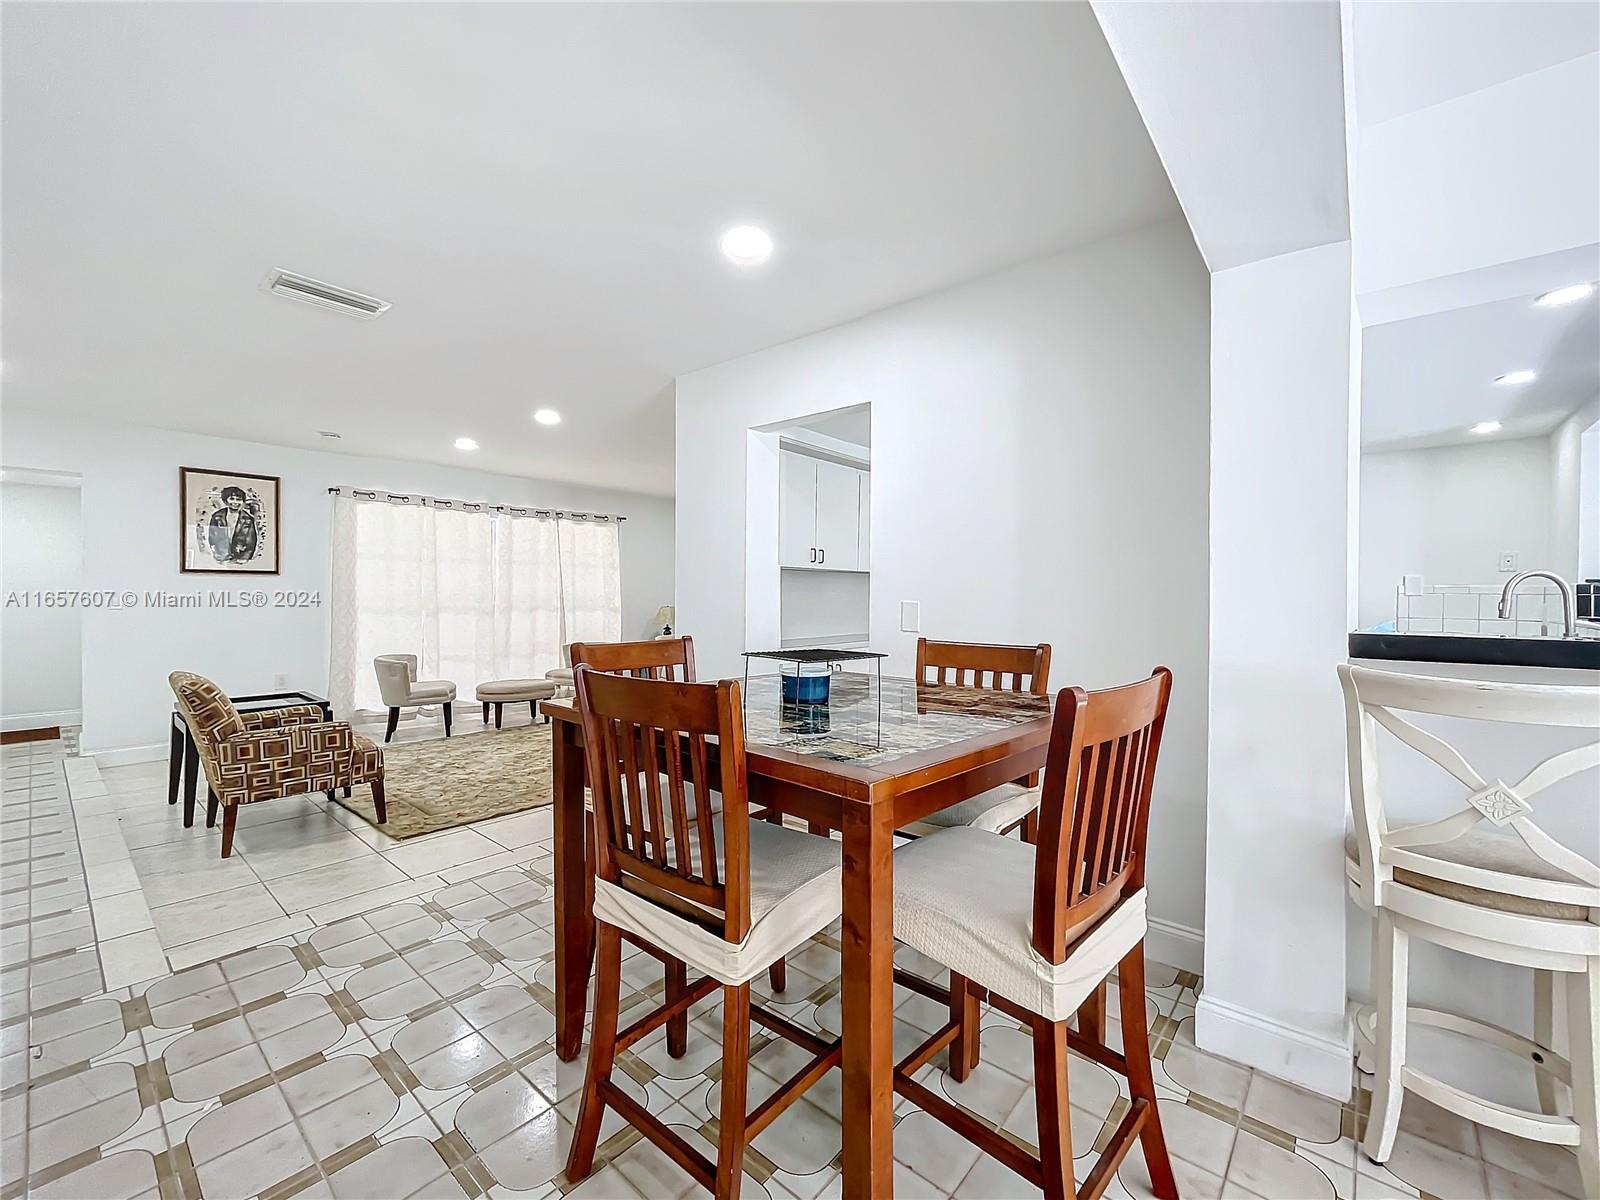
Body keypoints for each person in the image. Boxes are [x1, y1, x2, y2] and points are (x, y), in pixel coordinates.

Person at [206, 486, 259, 564]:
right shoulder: (217, 516)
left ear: (243, 501)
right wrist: (217, 555)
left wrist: (245, 558)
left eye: (238, 499)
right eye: (231, 499)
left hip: (241, 558)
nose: (235, 502)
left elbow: (251, 541)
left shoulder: (248, 519)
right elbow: (212, 537)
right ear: (225, 500)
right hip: (221, 557)